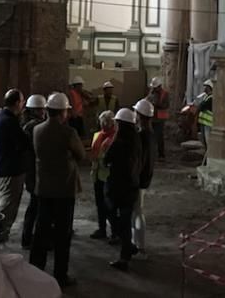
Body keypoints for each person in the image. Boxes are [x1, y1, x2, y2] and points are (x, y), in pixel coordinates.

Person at [30, 92, 86, 289]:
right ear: (63, 112)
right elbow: (81, 156)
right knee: (63, 235)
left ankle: (35, 271)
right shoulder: (68, 133)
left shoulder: (37, 130)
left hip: (44, 188)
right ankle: (60, 276)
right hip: (64, 190)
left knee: (41, 231)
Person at [104, 108, 142, 272]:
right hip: (132, 186)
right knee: (125, 220)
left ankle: (124, 256)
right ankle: (129, 247)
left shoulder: (118, 143)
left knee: (118, 219)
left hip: (118, 187)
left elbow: (106, 159)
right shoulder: (137, 140)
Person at [0, 88, 26, 239]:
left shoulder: (3, 117)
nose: (23, 105)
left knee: (8, 206)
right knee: (7, 208)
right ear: (17, 103)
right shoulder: (9, 121)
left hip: (7, 169)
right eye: (22, 102)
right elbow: (22, 142)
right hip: (9, 171)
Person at [20, 94, 47, 249]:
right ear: (34, 110)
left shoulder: (27, 125)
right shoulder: (33, 127)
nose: (43, 111)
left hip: (31, 171)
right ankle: (29, 238)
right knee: (36, 206)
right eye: (40, 109)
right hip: (35, 171)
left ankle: (28, 237)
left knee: (35, 205)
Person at [132, 98, 156, 258]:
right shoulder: (150, 134)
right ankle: (136, 244)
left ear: (140, 115)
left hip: (139, 179)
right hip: (145, 178)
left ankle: (139, 247)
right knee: (137, 212)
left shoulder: (142, 136)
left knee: (137, 213)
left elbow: (140, 161)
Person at [89, 110, 118, 241]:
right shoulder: (99, 136)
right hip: (97, 174)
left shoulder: (115, 139)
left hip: (108, 176)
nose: (104, 125)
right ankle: (102, 229)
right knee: (100, 204)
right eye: (103, 122)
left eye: (106, 122)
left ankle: (115, 232)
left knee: (110, 207)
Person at [147, 77, 170, 160]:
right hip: (152, 117)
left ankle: (161, 154)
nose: (154, 88)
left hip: (160, 119)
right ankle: (151, 153)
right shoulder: (152, 93)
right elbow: (147, 100)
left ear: (159, 86)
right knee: (151, 136)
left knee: (159, 136)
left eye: (155, 87)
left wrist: (157, 104)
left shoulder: (165, 94)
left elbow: (166, 105)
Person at [67, 76, 96, 140]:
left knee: (80, 135)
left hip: (79, 117)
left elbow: (89, 99)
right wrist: (73, 113)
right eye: (80, 85)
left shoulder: (80, 94)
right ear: (76, 85)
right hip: (73, 118)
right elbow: (71, 104)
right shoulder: (72, 93)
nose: (81, 87)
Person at [196, 80, 214, 165]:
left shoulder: (211, 98)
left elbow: (201, 106)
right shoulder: (206, 97)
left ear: (210, 88)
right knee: (205, 144)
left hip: (209, 125)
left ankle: (208, 162)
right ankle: (206, 161)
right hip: (204, 124)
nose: (204, 89)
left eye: (206, 87)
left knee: (208, 144)